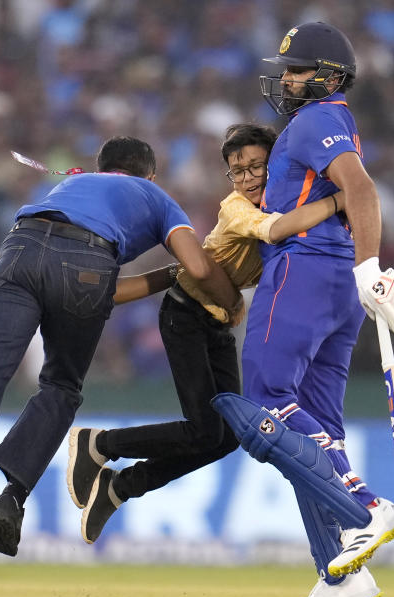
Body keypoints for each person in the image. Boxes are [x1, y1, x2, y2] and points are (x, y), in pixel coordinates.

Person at [0, 136, 242, 557]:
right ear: (149, 174)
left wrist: (164, 276)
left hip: (20, 246)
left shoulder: (69, 187)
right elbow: (198, 266)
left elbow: (92, 283)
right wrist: (230, 301)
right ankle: (12, 498)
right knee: (60, 387)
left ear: (102, 166)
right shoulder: (154, 194)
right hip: (87, 266)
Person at [66, 123, 345, 544]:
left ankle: (119, 487)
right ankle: (101, 443)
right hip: (187, 315)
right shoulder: (237, 208)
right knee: (204, 431)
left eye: (256, 166)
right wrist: (343, 197)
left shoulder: (280, 202)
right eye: (238, 170)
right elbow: (273, 232)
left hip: (214, 322)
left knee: (227, 437)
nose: (248, 177)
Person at [213, 22, 394, 597]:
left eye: (297, 69)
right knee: (316, 425)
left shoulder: (315, 119)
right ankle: (340, 573)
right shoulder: (331, 123)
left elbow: (363, 191)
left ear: (327, 75)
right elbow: (352, 195)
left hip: (303, 271)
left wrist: (368, 266)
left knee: (267, 398)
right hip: (333, 285)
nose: (287, 78)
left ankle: (365, 510)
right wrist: (363, 274)